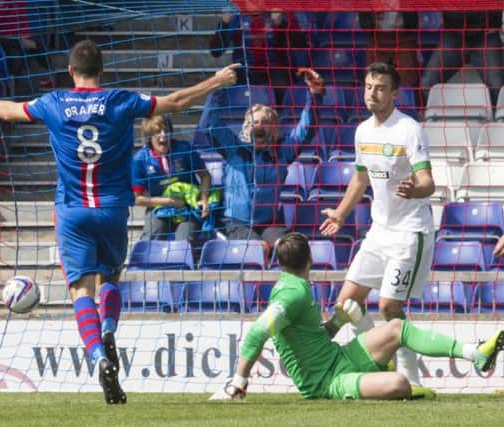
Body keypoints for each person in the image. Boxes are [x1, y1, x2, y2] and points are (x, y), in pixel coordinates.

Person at [0, 39, 238, 404]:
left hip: (72, 211)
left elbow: (9, 112)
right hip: (112, 209)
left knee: (81, 290)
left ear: (70, 71)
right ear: (103, 70)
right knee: (111, 276)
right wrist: (216, 81)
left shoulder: (53, 103)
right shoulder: (121, 101)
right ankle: (109, 328)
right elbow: (176, 102)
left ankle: (97, 355)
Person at [211, 232, 504, 401]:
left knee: (396, 327)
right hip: (326, 384)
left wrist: (338, 322)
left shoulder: (297, 288)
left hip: (339, 358)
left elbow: (312, 340)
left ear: (279, 264)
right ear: (311, 259)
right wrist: (239, 381)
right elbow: (257, 332)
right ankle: (384, 376)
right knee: (399, 383)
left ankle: (475, 353)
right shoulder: (292, 294)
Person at [319, 62, 435, 387]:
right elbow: (360, 179)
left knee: (388, 305)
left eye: (381, 88)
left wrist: (416, 189)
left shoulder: (409, 129)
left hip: (410, 231)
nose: (373, 92)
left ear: (395, 94)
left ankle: (410, 377)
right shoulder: (362, 131)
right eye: (369, 86)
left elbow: (429, 182)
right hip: (378, 232)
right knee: (346, 304)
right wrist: (341, 214)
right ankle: (374, 358)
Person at [206, 68, 324, 251]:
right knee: (259, 248)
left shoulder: (282, 151)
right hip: (236, 223)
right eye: (254, 123)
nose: (259, 127)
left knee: (289, 249)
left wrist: (314, 95)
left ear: (274, 128)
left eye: (265, 123)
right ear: (245, 128)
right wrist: (217, 86)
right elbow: (211, 124)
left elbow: (306, 129)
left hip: (270, 224)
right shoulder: (233, 149)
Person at [132, 115, 212, 244]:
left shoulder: (184, 149)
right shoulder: (140, 159)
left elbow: (205, 175)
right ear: (148, 136)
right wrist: (170, 201)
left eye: (166, 131)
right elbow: (137, 199)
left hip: (187, 207)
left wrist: (203, 199)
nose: (164, 136)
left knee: (184, 242)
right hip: (158, 207)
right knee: (152, 238)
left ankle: (184, 263)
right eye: (158, 132)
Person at [420, 11, 504, 108]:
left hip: (487, 33)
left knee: (497, 87)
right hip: (453, 33)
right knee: (427, 84)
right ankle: (436, 118)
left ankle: (497, 120)